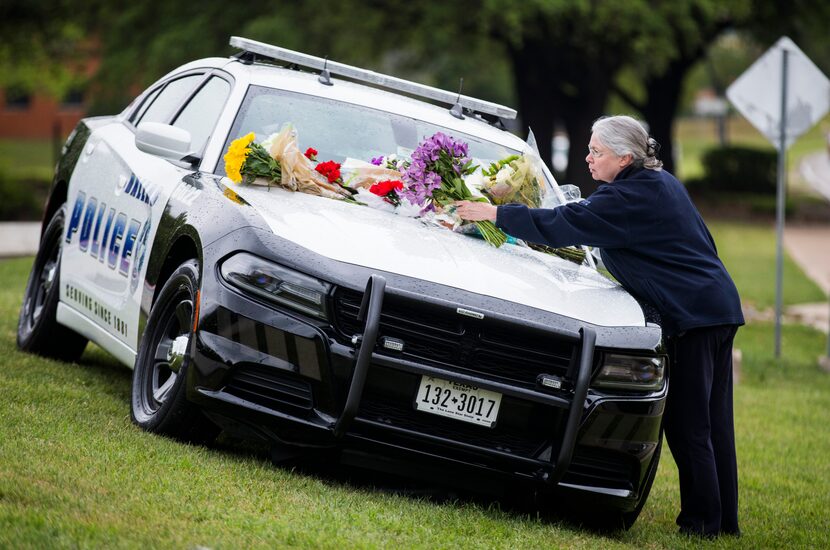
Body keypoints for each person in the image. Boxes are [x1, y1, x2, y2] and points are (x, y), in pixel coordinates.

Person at [456, 115, 744, 538]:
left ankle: (703, 525)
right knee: (714, 423)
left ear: (625, 156)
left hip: (698, 316)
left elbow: (562, 224)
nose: (589, 158)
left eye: (597, 152)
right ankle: (722, 524)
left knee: (689, 426)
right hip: (715, 307)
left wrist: (496, 213)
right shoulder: (656, 184)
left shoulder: (627, 198)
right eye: (590, 149)